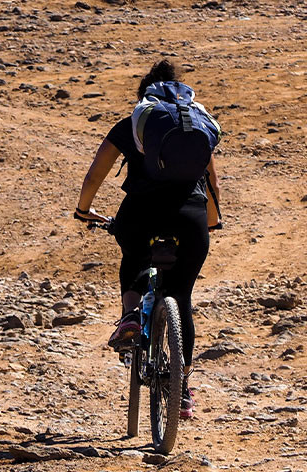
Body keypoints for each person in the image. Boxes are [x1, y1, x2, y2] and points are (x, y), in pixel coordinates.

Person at [72, 59, 221, 419]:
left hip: (142, 213)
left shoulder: (131, 125)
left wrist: (83, 210)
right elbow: (213, 184)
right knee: (181, 295)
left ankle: (130, 319)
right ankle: (181, 390)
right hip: (192, 216)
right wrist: (212, 222)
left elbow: (95, 175)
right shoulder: (194, 125)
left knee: (135, 256)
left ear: (145, 100)